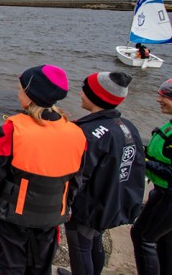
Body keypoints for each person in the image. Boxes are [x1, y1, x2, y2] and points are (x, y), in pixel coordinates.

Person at [0, 65, 87, 274]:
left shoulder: (12, 129)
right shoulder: (76, 133)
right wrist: (65, 207)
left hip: (15, 213)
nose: (18, 93)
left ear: (30, 95)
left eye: (20, 89)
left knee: (11, 262)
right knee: (41, 264)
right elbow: (77, 179)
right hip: (52, 213)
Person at [62, 72, 145, 275]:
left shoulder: (89, 132)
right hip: (111, 201)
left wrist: (65, 204)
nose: (80, 94)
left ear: (95, 96)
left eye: (84, 90)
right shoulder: (127, 126)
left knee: (80, 246)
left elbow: (77, 175)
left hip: (89, 204)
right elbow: (135, 166)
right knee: (94, 241)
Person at [131, 79, 172, 274]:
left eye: (164, 97)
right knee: (164, 239)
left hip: (169, 195)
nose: (158, 100)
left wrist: (144, 161)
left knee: (143, 237)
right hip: (162, 192)